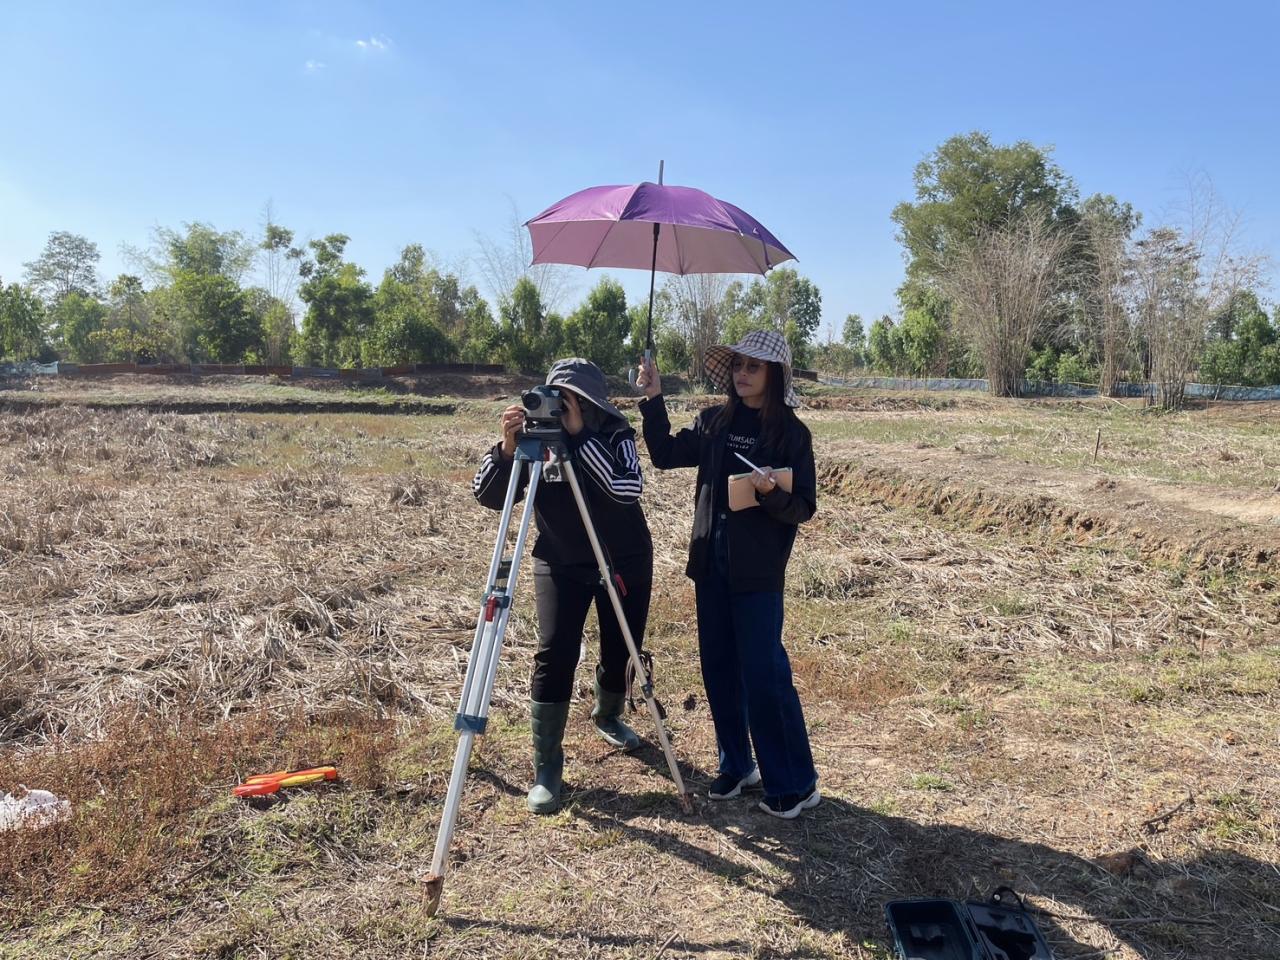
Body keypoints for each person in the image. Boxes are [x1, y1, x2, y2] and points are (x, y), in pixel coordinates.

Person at [636, 330, 820, 819]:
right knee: (719, 670)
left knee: (765, 675)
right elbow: (665, 454)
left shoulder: (791, 436)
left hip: (758, 574)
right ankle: (737, 764)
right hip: (711, 565)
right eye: (738, 365)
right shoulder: (714, 422)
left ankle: (795, 782)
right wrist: (654, 400)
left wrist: (770, 494)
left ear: (774, 375)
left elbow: (803, 507)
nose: (742, 374)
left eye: (753, 367)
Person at [472, 358, 653, 815]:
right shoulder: (533, 436)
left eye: (572, 400)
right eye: (556, 396)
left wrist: (580, 437)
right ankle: (547, 766)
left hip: (622, 557)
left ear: (592, 403)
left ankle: (607, 713)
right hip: (559, 558)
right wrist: (508, 450)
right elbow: (488, 496)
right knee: (554, 652)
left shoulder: (615, 433)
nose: (561, 406)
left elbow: (626, 488)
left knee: (621, 647)